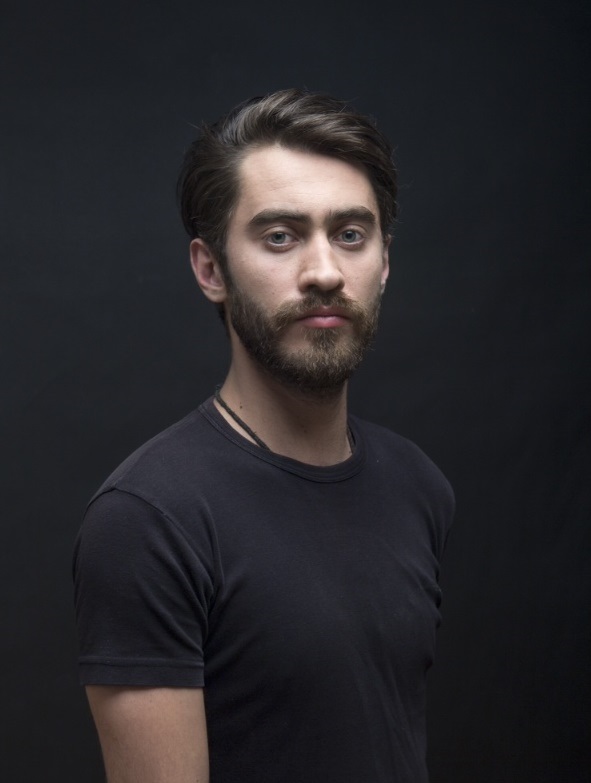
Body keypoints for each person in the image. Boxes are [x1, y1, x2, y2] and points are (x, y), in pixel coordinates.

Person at [73, 88, 454, 783]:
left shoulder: (417, 486)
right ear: (210, 269)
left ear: (384, 262)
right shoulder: (149, 520)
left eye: (350, 234)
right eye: (280, 236)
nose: (324, 272)